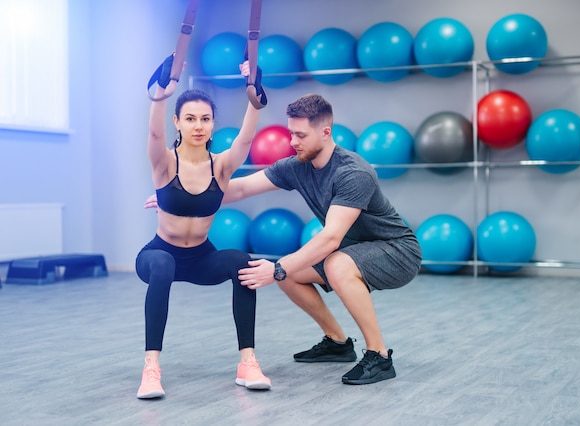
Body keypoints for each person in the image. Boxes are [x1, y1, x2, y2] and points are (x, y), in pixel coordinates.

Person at [228, 94, 422, 385]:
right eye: (291, 133)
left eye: (300, 135)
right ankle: (337, 342)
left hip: (398, 252)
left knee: (329, 265)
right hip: (351, 249)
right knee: (289, 274)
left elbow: (331, 238)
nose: (293, 141)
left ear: (325, 132)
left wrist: (278, 267)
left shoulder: (353, 172)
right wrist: (184, 196)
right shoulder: (298, 165)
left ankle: (379, 356)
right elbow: (241, 188)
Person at [134, 57, 271, 399]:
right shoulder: (165, 162)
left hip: (200, 258)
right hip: (158, 254)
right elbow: (153, 132)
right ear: (177, 123)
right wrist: (161, 96)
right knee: (164, 265)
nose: (198, 125)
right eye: (191, 119)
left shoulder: (221, 166)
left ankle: (248, 362)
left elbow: (245, 139)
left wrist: (254, 94)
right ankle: (151, 368)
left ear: (212, 125)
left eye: (206, 119)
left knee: (243, 262)